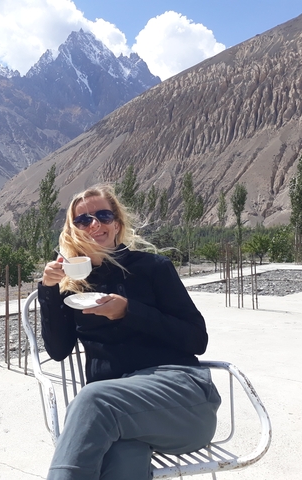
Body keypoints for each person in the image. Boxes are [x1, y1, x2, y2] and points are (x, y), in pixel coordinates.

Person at [39, 185, 221, 480]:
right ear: (73, 230)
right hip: (121, 420)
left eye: (103, 215)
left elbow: (196, 339)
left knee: (91, 399)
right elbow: (58, 350)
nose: (94, 224)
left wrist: (129, 312)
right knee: (122, 460)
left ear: (117, 223)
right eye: (83, 220)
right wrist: (49, 290)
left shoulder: (153, 268)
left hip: (181, 401)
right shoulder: (75, 285)